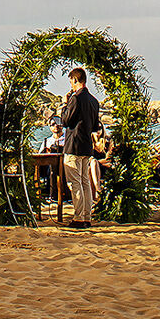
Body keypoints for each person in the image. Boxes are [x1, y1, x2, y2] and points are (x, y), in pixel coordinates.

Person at [60, 67, 100, 229]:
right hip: (86, 146)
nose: (71, 85)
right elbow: (95, 126)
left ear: (75, 80)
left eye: (71, 81)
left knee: (75, 182)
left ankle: (78, 217)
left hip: (74, 145)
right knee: (84, 182)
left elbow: (65, 121)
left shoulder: (76, 99)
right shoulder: (94, 101)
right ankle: (87, 216)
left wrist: (65, 105)